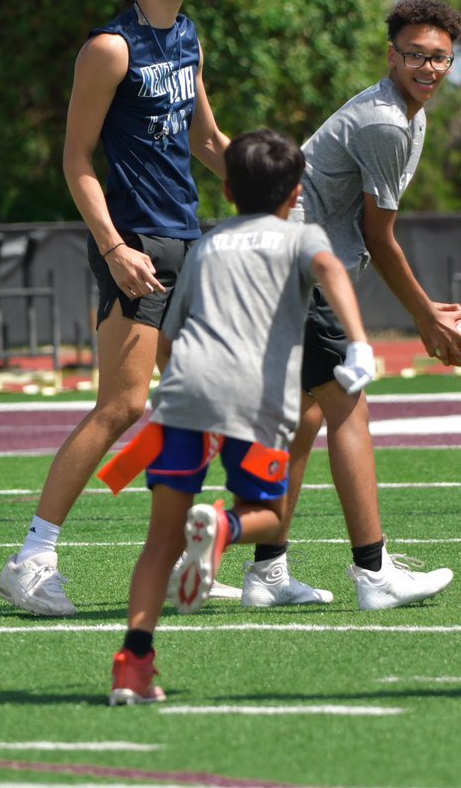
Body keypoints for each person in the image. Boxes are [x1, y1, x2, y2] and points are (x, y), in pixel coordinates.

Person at [0, 0, 232, 617]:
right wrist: (116, 246)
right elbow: (76, 160)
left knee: (217, 401)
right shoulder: (109, 48)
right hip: (136, 245)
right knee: (124, 402)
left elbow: (207, 142)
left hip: (188, 239)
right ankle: (31, 559)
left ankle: (190, 555)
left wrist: (279, 193)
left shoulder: (188, 36)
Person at [100, 129, 375, 704]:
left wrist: (183, 390)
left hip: (184, 398)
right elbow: (332, 270)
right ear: (296, 193)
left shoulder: (205, 245)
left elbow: (170, 338)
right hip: (254, 405)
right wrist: (359, 342)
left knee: (159, 542)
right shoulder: (301, 236)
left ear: (226, 190)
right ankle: (223, 528)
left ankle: (133, 665)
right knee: (269, 519)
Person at [235, 0, 461, 610]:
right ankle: (375, 572)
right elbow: (378, 235)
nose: (428, 66)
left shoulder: (407, 114)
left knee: (306, 418)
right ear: (391, 56)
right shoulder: (386, 121)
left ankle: (266, 572)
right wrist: (425, 315)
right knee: (348, 409)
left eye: (440, 57)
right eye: (415, 54)